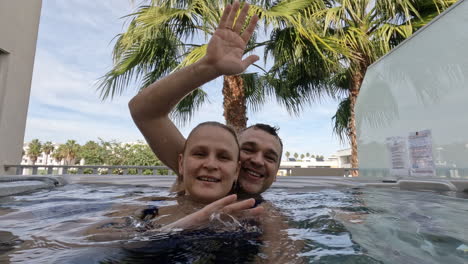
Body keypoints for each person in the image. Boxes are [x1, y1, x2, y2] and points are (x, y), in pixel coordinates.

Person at [128, 0, 283, 199]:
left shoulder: (269, 215)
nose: (258, 161)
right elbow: (144, 111)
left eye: (270, 158)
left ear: (277, 174)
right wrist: (209, 67)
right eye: (247, 149)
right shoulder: (195, 172)